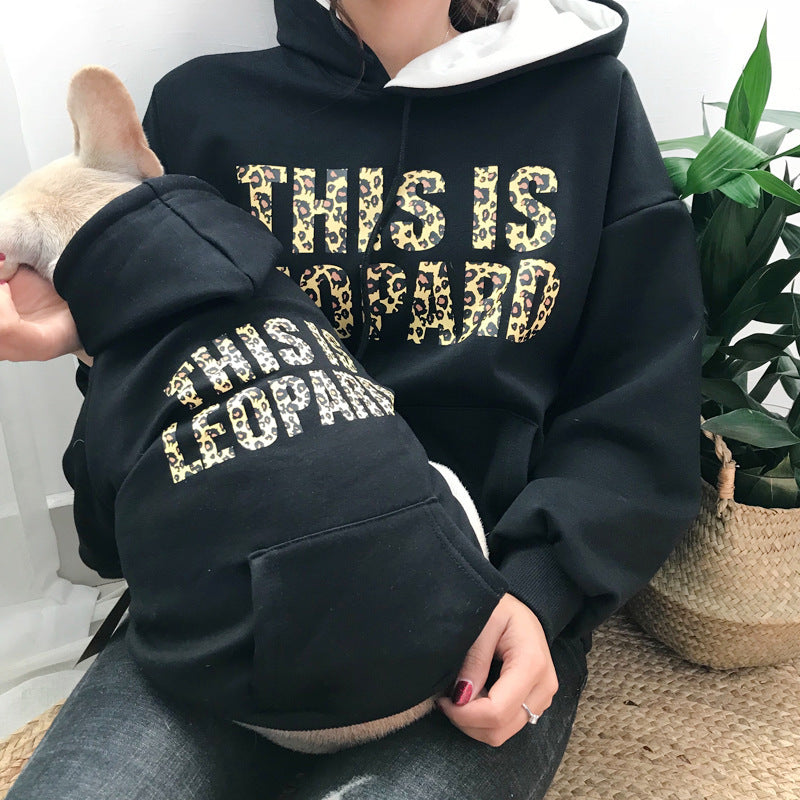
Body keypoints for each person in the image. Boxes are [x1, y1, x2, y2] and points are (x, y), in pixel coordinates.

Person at [1, 0, 702, 797]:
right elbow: (159, 382)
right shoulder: (202, 110)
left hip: (474, 616)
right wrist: (94, 333)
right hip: (218, 600)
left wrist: (545, 589)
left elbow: (638, 394)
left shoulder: (586, 106)